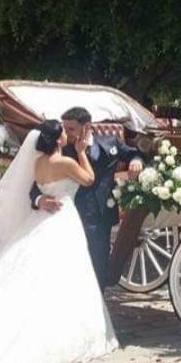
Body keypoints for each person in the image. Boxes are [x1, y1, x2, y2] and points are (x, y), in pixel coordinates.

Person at [0, 121, 118, 363]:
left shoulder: (37, 164)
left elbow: (30, 188)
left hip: (39, 221)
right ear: (58, 139)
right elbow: (89, 179)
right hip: (63, 219)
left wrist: (39, 199)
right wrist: (81, 151)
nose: (66, 134)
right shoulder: (66, 163)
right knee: (68, 274)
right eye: (63, 131)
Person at [31, 107, 144, 288]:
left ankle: (98, 306)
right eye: (65, 128)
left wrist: (136, 160)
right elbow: (34, 185)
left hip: (100, 216)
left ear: (87, 127)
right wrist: (39, 200)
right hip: (67, 216)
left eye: (71, 129)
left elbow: (134, 153)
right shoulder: (60, 150)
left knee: (99, 265)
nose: (66, 133)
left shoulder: (110, 142)